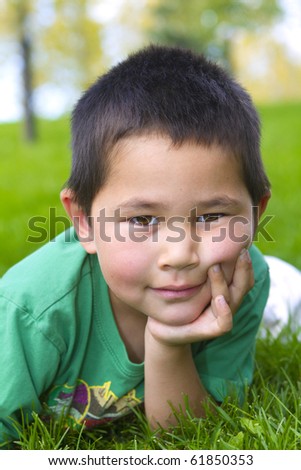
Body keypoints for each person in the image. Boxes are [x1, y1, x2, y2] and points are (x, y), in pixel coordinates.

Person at [0, 45, 271, 447]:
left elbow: (189, 441)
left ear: (255, 213)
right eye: (142, 220)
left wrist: (166, 341)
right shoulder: (29, 311)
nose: (179, 255)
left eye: (212, 217)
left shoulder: (242, 280)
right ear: (84, 222)